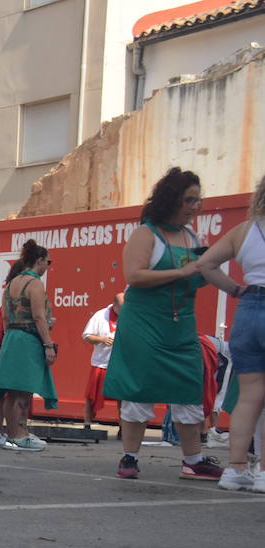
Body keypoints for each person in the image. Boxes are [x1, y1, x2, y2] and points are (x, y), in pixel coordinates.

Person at [104, 167, 222, 481]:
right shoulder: (146, 233)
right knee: (138, 390)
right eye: (189, 200)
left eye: (198, 200)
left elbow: (196, 279)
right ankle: (129, 458)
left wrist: (214, 275)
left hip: (181, 325)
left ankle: (193, 461)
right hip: (145, 326)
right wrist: (183, 273)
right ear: (171, 200)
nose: (196, 206)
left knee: (188, 391)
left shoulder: (191, 236)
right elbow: (135, 276)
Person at [198, 171, 265, 492]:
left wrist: (236, 290)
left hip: (249, 311)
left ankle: (236, 469)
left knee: (249, 396)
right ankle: (264, 471)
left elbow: (206, 264)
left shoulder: (244, 231)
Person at [0, 240, 57, 452]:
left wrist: (12, 335)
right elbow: (38, 316)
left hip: (12, 337)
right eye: (48, 261)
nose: (48, 266)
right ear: (39, 260)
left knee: (11, 389)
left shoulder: (12, 283)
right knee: (23, 391)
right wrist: (47, 343)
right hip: (28, 339)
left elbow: (6, 317)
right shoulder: (35, 283)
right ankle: (20, 435)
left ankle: (13, 434)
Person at [81, 291, 122, 429]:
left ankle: (123, 428)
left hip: (120, 364)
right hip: (101, 363)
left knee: (123, 396)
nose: (123, 311)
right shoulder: (100, 315)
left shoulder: (129, 315)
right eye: (121, 308)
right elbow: (86, 336)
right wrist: (102, 339)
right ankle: (87, 424)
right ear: (114, 305)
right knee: (91, 396)